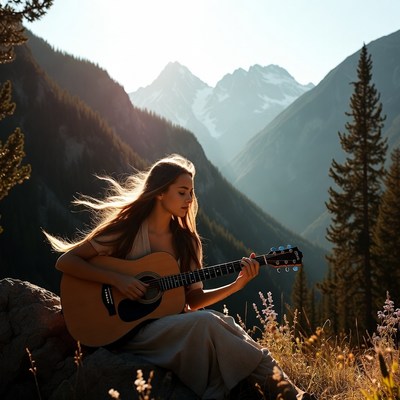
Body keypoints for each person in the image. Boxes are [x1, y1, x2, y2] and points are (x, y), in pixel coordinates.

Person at [45, 154, 315, 400]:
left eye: (191, 193)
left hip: (163, 328)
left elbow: (193, 300)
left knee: (227, 323)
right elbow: (67, 261)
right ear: (160, 193)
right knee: (208, 324)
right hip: (125, 332)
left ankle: (294, 395)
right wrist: (118, 280)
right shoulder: (125, 230)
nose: (190, 200)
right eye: (182, 192)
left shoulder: (187, 243)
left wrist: (237, 284)